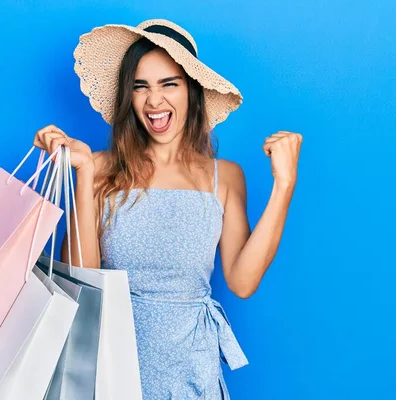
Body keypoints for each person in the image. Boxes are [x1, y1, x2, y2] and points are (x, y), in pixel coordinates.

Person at [34, 18, 302, 400]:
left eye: (168, 84)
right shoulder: (101, 168)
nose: (154, 101)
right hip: (112, 367)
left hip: (192, 370)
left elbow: (242, 282)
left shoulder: (223, 177)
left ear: (192, 91)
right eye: (140, 87)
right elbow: (82, 280)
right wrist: (85, 171)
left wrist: (284, 185)